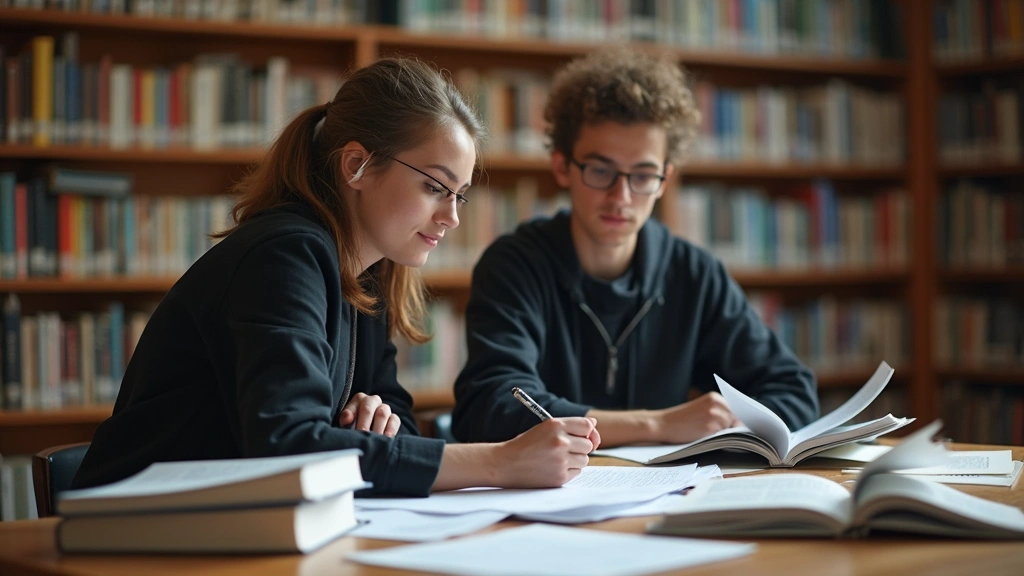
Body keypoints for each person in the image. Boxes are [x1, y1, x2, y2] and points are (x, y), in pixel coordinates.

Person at [72, 58, 599, 497]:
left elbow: (403, 426)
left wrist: (378, 418)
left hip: (230, 524)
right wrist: (500, 463)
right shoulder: (285, 255)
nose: (452, 217)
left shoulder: (364, 275)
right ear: (357, 166)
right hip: (140, 533)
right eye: (436, 188)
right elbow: (289, 444)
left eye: (459, 195)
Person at [451, 49, 818, 446]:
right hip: (546, 496)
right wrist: (659, 426)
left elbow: (792, 390)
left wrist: (725, 431)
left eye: (643, 175)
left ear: (664, 180)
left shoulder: (693, 273)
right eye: (601, 171)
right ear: (562, 166)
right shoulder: (515, 266)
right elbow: (490, 406)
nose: (621, 196)